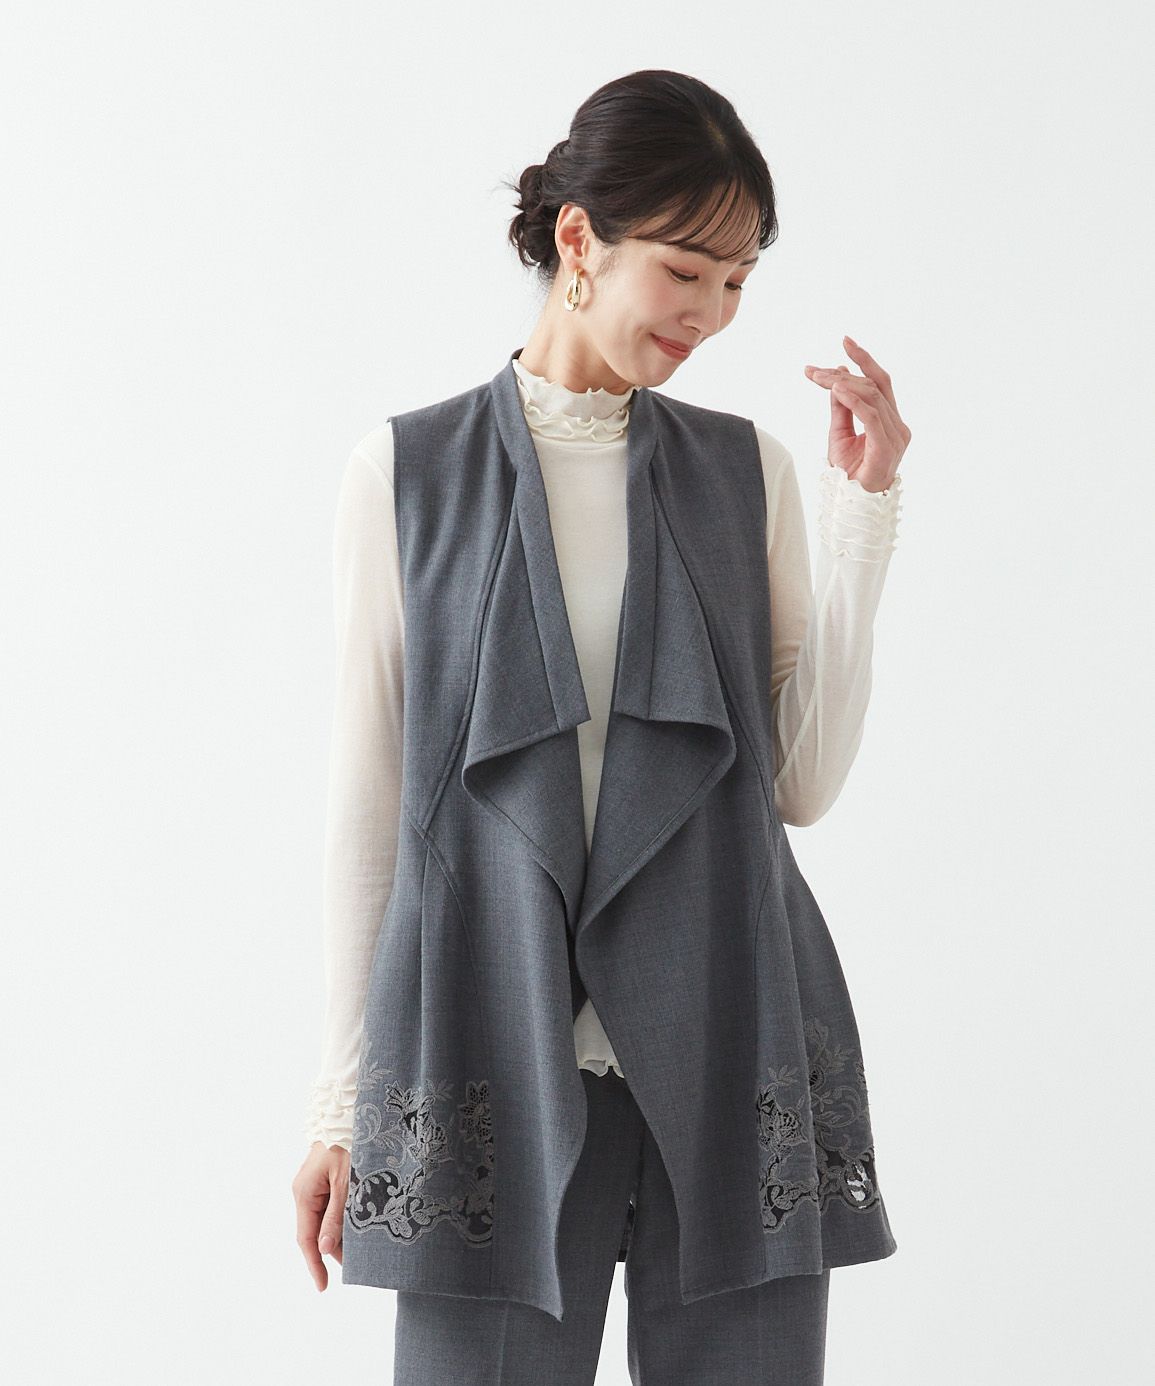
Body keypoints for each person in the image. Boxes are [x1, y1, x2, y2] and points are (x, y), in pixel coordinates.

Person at [291, 68, 909, 1385]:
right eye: (686, 272)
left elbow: (798, 784)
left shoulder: (746, 472)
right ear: (579, 238)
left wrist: (864, 512)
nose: (712, 313)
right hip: (487, 1053)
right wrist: (343, 1103)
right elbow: (369, 803)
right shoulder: (406, 476)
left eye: (737, 282)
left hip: (729, 1037)